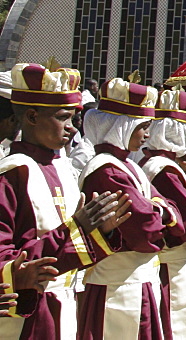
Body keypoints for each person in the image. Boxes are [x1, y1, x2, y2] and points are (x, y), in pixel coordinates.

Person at [0, 63, 130, 339]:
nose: (72, 128)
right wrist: (77, 228)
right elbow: (6, 257)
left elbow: (71, 251)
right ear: (32, 116)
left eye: (73, 119)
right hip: (29, 312)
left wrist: (99, 232)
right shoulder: (12, 173)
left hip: (67, 301)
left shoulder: (61, 168)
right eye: (63, 118)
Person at [78, 76, 183, 340]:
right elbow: (144, 229)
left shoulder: (129, 166)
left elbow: (169, 212)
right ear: (122, 126)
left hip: (137, 278)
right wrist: (160, 210)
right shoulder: (106, 170)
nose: (147, 134)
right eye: (142, 127)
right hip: (117, 284)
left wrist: (157, 209)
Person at [138, 91, 186, 340]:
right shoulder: (164, 170)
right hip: (173, 262)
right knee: (178, 322)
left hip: (175, 259)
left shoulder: (162, 164)